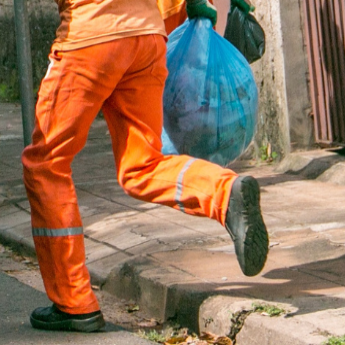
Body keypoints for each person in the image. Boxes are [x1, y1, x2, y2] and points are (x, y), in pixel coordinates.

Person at [22, 0, 263, 332]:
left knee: (45, 163)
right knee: (142, 164)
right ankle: (224, 193)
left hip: (89, 38)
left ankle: (73, 301)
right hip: (148, 38)